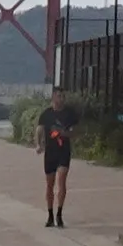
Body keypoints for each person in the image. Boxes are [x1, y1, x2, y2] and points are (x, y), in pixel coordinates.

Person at [35, 90, 74, 227]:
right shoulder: (47, 114)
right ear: (53, 98)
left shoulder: (69, 113)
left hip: (64, 151)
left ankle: (59, 214)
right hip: (50, 152)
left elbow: (75, 131)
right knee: (49, 184)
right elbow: (39, 129)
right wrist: (38, 144)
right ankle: (50, 214)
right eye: (59, 96)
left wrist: (65, 133)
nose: (62, 99)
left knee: (62, 181)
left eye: (63, 96)